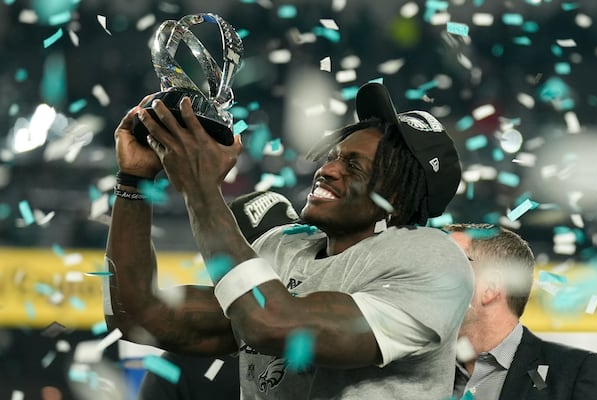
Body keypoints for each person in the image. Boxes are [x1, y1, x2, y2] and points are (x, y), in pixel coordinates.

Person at [104, 81, 474, 399]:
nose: (327, 170)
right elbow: (138, 314)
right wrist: (133, 182)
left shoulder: (434, 262)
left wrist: (201, 189)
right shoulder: (284, 245)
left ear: (396, 199)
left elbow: (271, 324)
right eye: (333, 157)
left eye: (354, 166)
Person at [136, 190, 300, 400]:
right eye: (272, 249)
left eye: (296, 247)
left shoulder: (325, 333)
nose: (291, 259)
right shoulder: (182, 366)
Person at [446, 223, 597, 400]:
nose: (422, 281)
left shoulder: (576, 373)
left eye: (443, 269)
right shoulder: (417, 370)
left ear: (490, 287)